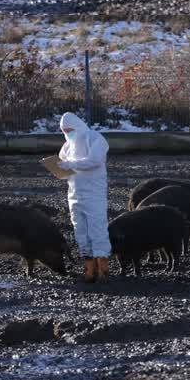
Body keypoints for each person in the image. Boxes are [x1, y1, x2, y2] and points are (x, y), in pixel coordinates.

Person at [58, 111, 109, 282]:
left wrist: (69, 164)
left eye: (70, 129)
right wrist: (60, 169)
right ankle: (89, 269)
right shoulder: (66, 147)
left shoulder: (94, 138)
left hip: (94, 194)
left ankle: (103, 269)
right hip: (74, 194)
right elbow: (64, 169)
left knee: (97, 229)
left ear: (79, 126)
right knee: (80, 230)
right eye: (64, 131)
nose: (68, 133)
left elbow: (94, 160)